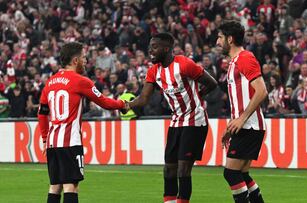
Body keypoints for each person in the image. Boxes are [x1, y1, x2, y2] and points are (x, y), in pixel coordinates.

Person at [124, 32, 217, 203]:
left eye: (154, 47)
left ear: (166, 49)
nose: (150, 51)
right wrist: (124, 105)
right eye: (150, 47)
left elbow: (212, 82)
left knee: (183, 170)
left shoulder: (184, 64)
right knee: (168, 170)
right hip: (176, 121)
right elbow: (144, 98)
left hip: (195, 120)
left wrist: (198, 95)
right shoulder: (153, 71)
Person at [37, 42, 126, 203]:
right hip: (70, 142)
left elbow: (42, 114)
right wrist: (122, 104)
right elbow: (105, 102)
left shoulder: (49, 83)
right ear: (75, 60)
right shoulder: (80, 81)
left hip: (52, 143)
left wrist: (44, 139)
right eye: (84, 58)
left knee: (55, 186)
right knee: (71, 186)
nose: (86, 61)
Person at [216, 21, 267, 203]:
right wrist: (231, 128)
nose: (217, 42)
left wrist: (242, 119)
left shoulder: (245, 58)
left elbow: (262, 91)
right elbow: (240, 101)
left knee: (231, 173)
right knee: (241, 174)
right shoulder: (234, 62)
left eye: (220, 37)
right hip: (245, 125)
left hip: (250, 125)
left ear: (230, 39)